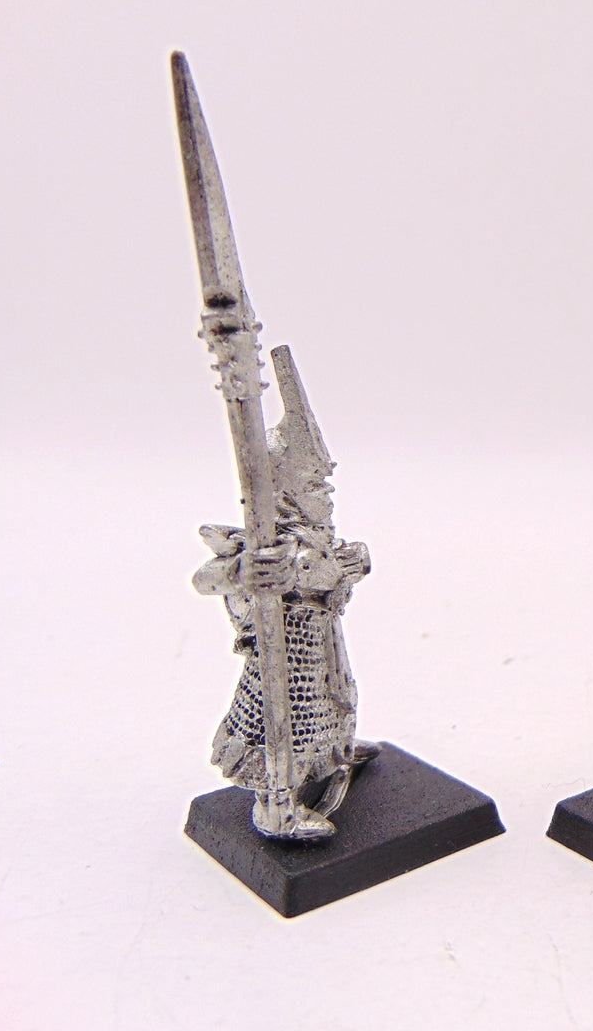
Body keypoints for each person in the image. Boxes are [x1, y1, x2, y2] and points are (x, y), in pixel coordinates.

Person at [193, 351, 378, 840]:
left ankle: (337, 755)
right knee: (286, 722)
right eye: (317, 483)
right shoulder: (271, 547)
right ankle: (276, 806)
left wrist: (353, 563)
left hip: (323, 644)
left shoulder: (317, 538)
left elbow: (343, 565)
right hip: (286, 651)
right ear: (288, 491)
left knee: (335, 702)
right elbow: (207, 578)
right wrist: (243, 570)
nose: (327, 491)